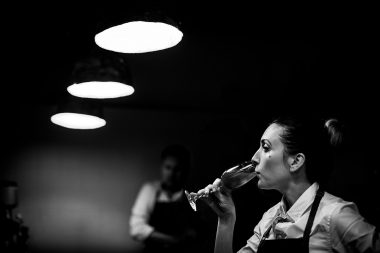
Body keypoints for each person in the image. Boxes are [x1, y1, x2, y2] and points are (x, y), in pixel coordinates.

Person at [192, 115, 380, 253]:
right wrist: (226, 221)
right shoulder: (268, 220)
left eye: (265, 148)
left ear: (296, 161)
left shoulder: (335, 215)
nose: (254, 158)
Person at [129, 144, 203, 253]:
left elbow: (200, 230)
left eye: (177, 169)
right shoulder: (150, 189)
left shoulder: (194, 194)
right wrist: (174, 240)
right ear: (161, 167)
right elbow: (136, 229)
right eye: (168, 167)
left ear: (186, 170)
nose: (171, 174)